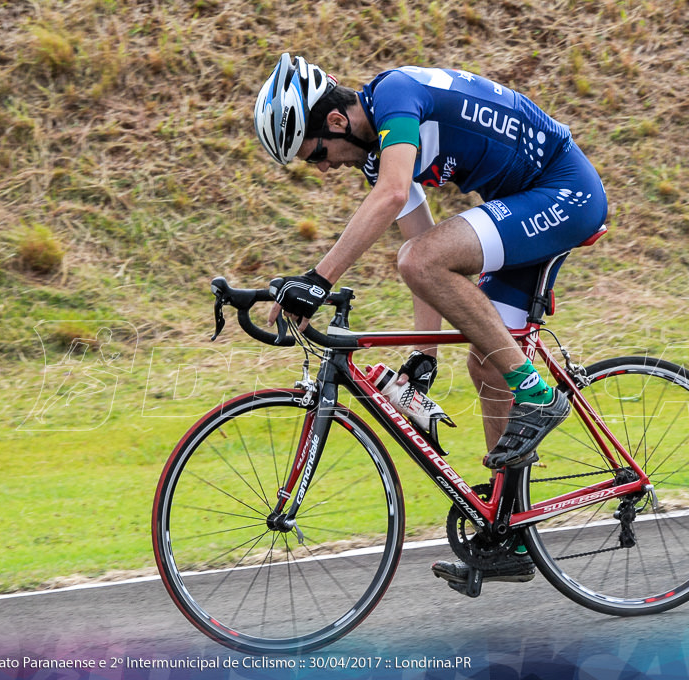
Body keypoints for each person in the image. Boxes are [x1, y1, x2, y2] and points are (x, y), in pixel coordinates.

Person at [253, 53, 608, 591]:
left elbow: (399, 207)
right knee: (487, 365)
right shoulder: (380, 151)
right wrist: (425, 356)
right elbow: (417, 234)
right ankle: (508, 533)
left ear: (334, 121)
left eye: (318, 154)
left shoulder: (395, 97)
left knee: (422, 260)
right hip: (523, 202)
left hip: (562, 191)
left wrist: (317, 278)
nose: (323, 167)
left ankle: (537, 392)